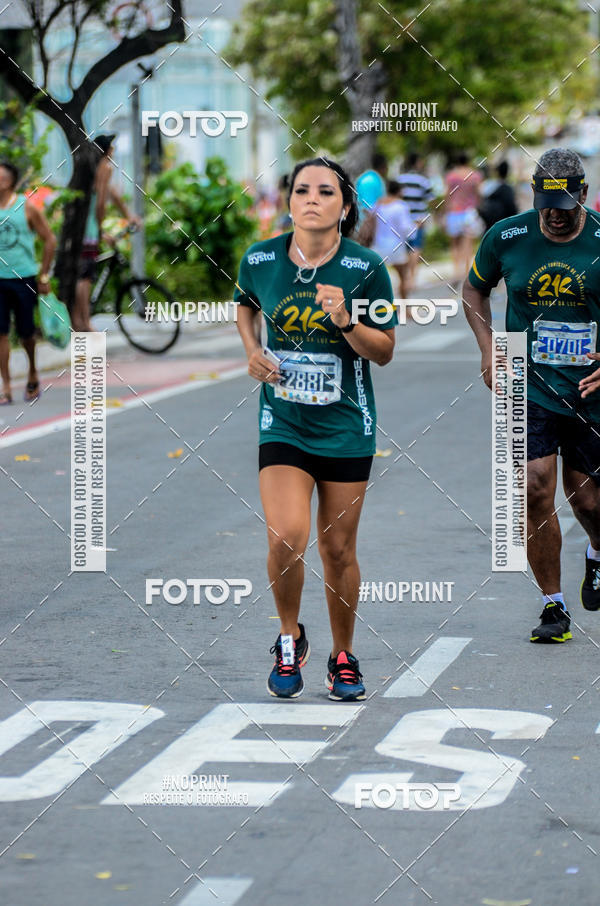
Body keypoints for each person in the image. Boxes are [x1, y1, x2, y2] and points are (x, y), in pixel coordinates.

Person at [234, 157, 396, 700]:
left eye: (325, 192)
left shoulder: (366, 268)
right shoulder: (260, 258)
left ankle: (342, 655)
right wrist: (253, 352)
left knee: (338, 550)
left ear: (345, 206)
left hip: (348, 426)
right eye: (301, 190)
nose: (311, 199)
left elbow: (385, 351)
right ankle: (288, 638)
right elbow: (245, 307)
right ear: (289, 201)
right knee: (285, 537)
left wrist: (347, 321)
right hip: (284, 421)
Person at [463, 147, 600, 643]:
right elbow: (474, 290)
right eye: (547, 204)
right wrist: (488, 350)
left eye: (566, 204)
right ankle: (553, 605)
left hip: (590, 392)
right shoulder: (508, 236)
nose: (557, 215)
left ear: (583, 194)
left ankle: (596, 553)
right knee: (533, 488)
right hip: (529, 383)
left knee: (588, 501)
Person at [0, 161, 56, 405]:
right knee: (0, 334)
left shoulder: (27, 208)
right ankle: (6, 386)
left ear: (11, 181)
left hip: (24, 278)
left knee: (26, 333)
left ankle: (33, 370)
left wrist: (43, 275)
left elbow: (50, 240)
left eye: (2, 178)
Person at [72, 134, 140, 332]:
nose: (114, 151)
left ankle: (80, 319)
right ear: (107, 150)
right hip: (88, 228)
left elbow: (112, 194)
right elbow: (101, 201)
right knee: (85, 275)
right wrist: (100, 230)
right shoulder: (105, 168)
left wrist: (128, 215)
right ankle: (83, 321)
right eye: (112, 147)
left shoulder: (90, 168)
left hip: (78, 225)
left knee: (83, 271)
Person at [444, 152, 483, 283]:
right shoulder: (474, 175)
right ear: (468, 161)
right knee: (468, 244)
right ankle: (467, 272)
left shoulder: (451, 176)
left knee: (455, 244)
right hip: (469, 213)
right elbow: (479, 193)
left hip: (454, 212)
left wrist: (445, 211)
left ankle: (456, 272)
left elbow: (447, 194)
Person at [397, 153, 434, 292]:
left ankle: (405, 277)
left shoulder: (399, 179)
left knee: (405, 249)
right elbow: (431, 199)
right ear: (417, 162)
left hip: (402, 219)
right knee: (416, 248)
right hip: (419, 219)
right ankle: (412, 278)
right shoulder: (423, 181)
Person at [372, 180, 414, 299]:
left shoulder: (378, 205)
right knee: (403, 277)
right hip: (396, 246)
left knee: (378, 279)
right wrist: (417, 226)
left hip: (378, 245)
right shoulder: (401, 206)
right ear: (399, 191)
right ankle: (406, 307)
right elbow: (406, 228)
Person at [478, 160, 518, 232]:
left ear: (497, 172)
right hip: (504, 223)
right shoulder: (509, 187)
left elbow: (481, 201)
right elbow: (512, 207)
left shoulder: (488, 185)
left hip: (489, 222)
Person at [356, 152, 388, 219]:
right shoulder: (370, 181)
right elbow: (368, 207)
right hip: (366, 225)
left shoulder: (371, 179)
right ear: (384, 165)